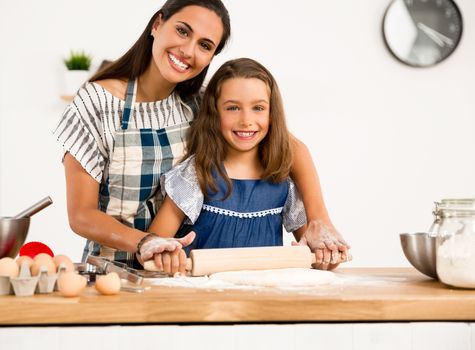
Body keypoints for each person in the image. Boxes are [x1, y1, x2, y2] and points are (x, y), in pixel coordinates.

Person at [53, 0, 348, 274]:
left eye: (204, 45)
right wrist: (145, 242)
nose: (188, 50)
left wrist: (319, 219)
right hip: (111, 273)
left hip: (176, 273)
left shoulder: (200, 103)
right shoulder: (97, 103)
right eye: (182, 31)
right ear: (157, 24)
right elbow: (81, 215)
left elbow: (288, 145)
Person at [147, 58, 349, 273]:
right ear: (215, 112)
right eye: (233, 107)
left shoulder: (282, 179)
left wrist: (328, 255)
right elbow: (154, 245)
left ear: (272, 114)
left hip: (263, 300)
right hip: (203, 299)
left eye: (258, 108)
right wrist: (166, 255)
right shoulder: (196, 175)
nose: (246, 120)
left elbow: (317, 258)